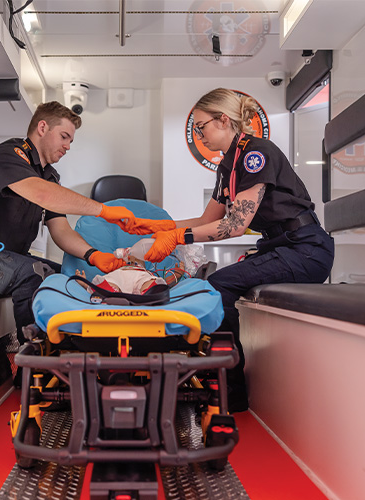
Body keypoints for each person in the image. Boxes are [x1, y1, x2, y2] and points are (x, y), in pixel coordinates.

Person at [126, 88, 334, 412]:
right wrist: (155, 226)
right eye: (195, 130)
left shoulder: (256, 153)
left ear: (223, 120)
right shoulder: (228, 166)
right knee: (218, 282)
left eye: (202, 127)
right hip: (283, 246)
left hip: (306, 248)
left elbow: (234, 225)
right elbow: (208, 219)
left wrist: (179, 238)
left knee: (219, 284)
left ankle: (231, 388)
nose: (200, 136)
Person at [0, 101, 142, 345]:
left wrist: (93, 256)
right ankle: (32, 354)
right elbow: (42, 195)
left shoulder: (48, 176)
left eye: (70, 141)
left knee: (64, 277)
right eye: (64, 137)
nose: (67, 146)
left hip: (9, 257)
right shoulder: (8, 155)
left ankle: (68, 349)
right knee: (32, 273)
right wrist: (104, 210)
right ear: (43, 127)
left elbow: (60, 229)